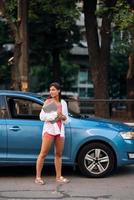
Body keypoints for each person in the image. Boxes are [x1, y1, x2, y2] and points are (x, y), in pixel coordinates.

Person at [35, 82, 70, 185]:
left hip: (60, 130)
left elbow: (66, 119)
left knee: (58, 154)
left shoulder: (63, 103)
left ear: (59, 91)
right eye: (50, 90)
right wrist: (55, 117)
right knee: (43, 153)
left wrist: (63, 117)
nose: (51, 91)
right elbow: (42, 117)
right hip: (49, 130)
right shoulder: (48, 102)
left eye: (54, 89)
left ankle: (58, 177)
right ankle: (38, 177)